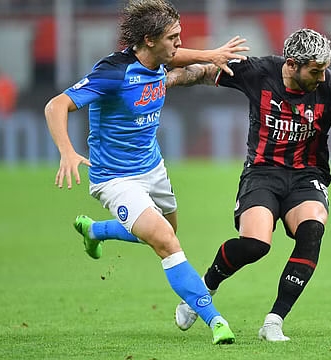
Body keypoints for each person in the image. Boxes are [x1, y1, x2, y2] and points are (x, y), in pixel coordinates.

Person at [166, 28, 331, 341]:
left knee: (312, 230)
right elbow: (203, 73)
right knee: (256, 245)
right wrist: (165, 81)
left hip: (307, 177)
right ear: (292, 64)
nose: (322, 78)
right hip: (262, 173)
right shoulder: (258, 72)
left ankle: (273, 321)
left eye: (324, 70)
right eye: (316, 71)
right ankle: (204, 289)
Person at [44, 0, 249, 345]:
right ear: (150, 39)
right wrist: (67, 151)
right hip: (115, 178)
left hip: (152, 168)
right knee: (167, 242)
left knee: (164, 230)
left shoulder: (159, 56)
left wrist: (211, 55)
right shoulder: (112, 72)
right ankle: (215, 321)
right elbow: (56, 105)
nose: (179, 44)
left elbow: (177, 57)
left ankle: (96, 231)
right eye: (173, 37)